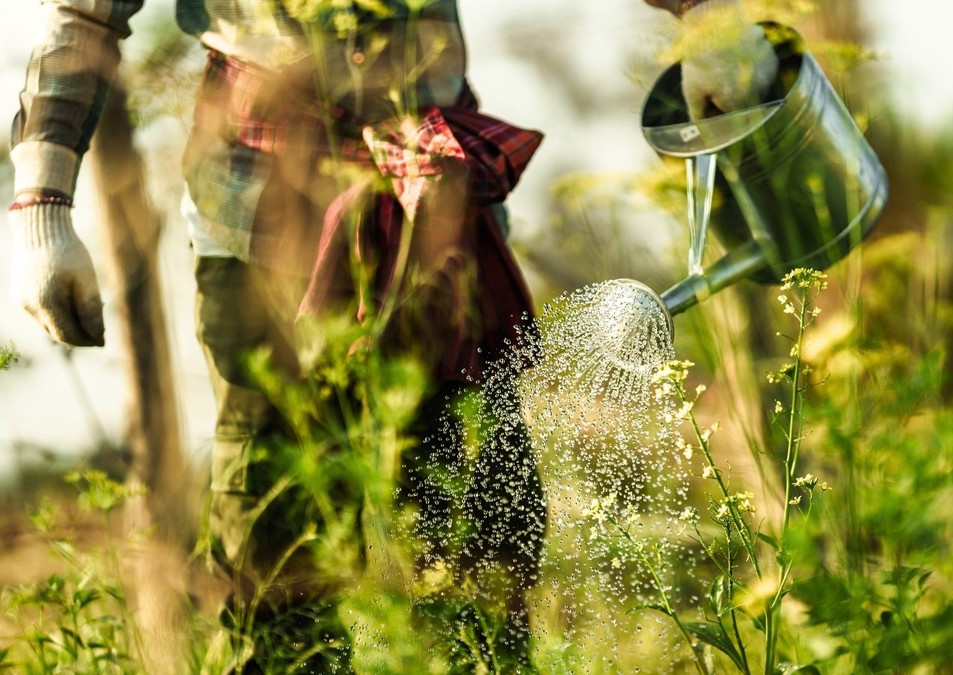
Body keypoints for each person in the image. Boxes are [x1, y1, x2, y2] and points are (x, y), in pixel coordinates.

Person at [7, 0, 779, 669]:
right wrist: (43, 200)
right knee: (285, 578)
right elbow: (83, 14)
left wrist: (706, 14)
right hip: (261, 232)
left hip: (441, 221)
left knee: (484, 574)